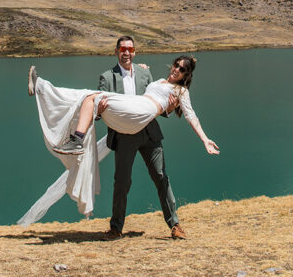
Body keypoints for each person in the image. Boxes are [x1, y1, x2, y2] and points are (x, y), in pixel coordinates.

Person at [18, 43, 218, 237]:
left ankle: (174, 224)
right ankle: (116, 228)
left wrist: (205, 139)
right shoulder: (130, 78)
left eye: (182, 69)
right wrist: (100, 112)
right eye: (176, 65)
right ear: (117, 51)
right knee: (120, 179)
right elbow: (102, 111)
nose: (177, 70)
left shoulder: (177, 89)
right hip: (126, 129)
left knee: (161, 177)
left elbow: (189, 115)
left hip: (148, 130)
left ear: (186, 75)